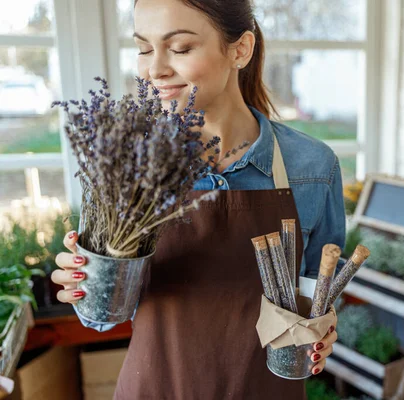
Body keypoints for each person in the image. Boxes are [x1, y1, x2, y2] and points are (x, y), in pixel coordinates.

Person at [50, 0, 346, 398]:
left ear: (240, 49)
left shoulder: (312, 167)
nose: (155, 69)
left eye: (180, 48)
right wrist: (85, 284)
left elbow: (316, 296)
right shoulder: (124, 164)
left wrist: (319, 331)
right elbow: (100, 318)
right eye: (143, 48)